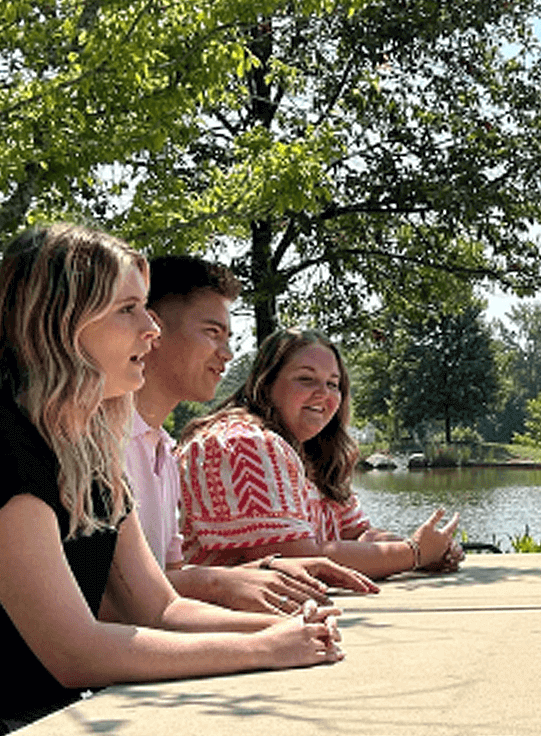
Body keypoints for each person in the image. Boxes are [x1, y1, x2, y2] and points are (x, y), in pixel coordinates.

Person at [0, 225, 341, 736]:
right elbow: (75, 651)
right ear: (62, 323)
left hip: (31, 721)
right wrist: (264, 647)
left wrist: (285, 627)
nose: (152, 329)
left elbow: (159, 609)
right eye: (129, 309)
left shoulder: (88, 450)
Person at [130, 255, 377, 614]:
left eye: (333, 384)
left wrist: (259, 577)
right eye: (212, 333)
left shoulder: (162, 450)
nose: (228, 355)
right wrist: (414, 552)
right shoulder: (234, 443)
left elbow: (164, 586)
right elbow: (105, 604)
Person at [178, 327, 464, 577]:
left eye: (333, 384)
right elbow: (296, 559)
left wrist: (425, 550)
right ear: (265, 383)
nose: (324, 394)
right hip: (218, 629)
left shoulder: (311, 452)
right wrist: (411, 554)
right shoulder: (242, 444)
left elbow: (357, 533)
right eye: (306, 379)